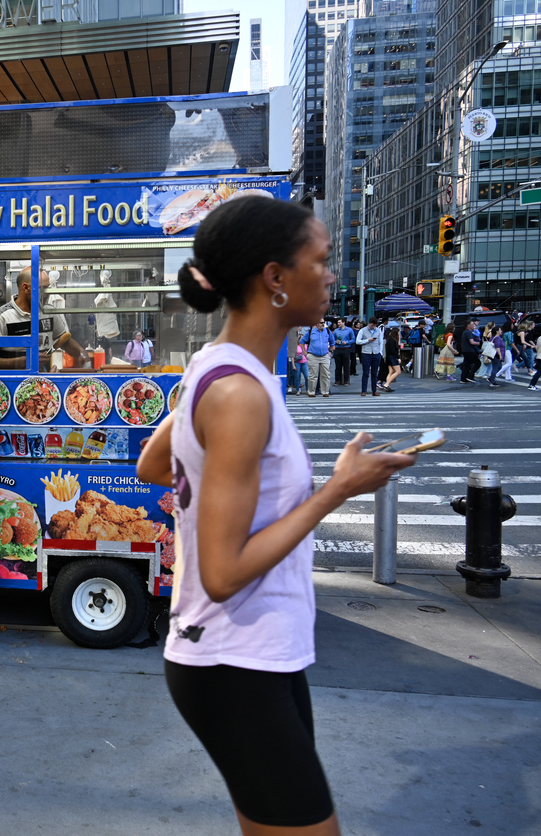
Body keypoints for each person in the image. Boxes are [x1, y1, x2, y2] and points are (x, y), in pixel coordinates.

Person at [135, 196, 415, 836]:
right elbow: (224, 573)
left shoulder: (215, 369)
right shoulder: (238, 392)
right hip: (233, 660)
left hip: (257, 655)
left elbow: (156, 464)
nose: (331, 275)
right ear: (275, 278)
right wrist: (336, 490)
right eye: (320, 260)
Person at [0, 267, 83, 371]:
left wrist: (82, 355)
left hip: (44, 383)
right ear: (26, 288)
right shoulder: (2, 316)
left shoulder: (48, 311)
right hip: (15, 384)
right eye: (43, 288)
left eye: (48, 288)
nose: (47, 293)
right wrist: (26, 361)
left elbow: (64, 341)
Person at [300, 318, 334, 397]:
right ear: (317, 324)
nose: (323, 324)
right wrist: (305, 352)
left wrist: (330, 351)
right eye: (321, 323)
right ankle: (311, 391)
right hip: (313, 355)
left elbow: (332, 342)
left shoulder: (327, 331)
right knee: (313, 375)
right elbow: (302, 342)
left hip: (325, 355)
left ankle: (325, 391)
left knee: (326, 374)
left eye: (324, 322)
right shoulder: (311, 332)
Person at [356, 317, 383, 396]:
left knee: (374, 373)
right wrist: (367, 340)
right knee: (366, 373)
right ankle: (364, 390)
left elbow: (381, 342)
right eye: (371, 325)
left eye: (374, 325)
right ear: (369, 323)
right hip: (366, 353)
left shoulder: (378, 330)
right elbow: (358, 341)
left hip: (376, 353)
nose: (373, 327)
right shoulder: (363, 330)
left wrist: (380, 352)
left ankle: (374, 390)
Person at [458, 319, 482, 383]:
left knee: (467, 364)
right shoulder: (468, 332)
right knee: (477, 363)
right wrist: (478, 343)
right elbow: (472, 342)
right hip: (470, 350)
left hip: (465, 350)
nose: (474, 325)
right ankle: (470, 376)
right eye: (472, 324)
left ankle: (463, 378)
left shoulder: (465, 332)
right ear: (468, 326)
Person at [332, 318, 355, 386]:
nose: (338, 324)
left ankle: (346, 380)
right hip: (338, 349)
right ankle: (337, 380)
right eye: (338, 322)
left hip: (346, 348)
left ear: (343, 323)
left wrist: (347, 342)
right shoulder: (336, 331)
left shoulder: (349, 330)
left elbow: (353, 339)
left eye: (339, 322)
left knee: (346, 366)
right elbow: (332, 339)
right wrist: (335, 341)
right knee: (338, 366)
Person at [381, 326, 402, 393]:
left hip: (388, 357)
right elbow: (393, 350)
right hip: (392, 357)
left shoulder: (389, 339)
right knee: (398, 371)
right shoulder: (393, 340)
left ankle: (387, 385)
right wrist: (398, 357)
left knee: (391, 372)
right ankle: (387, 384)